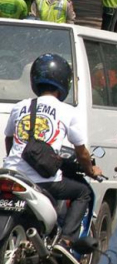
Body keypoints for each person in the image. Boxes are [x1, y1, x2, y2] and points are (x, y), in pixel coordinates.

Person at [3, 54, 103, 243]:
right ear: (64, 82)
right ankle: (66, 240)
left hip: (11, 174)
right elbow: (81, 152)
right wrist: (90, 170)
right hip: (44, 182)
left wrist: (15, 161)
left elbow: (9, 139)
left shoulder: (20, 106)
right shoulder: (68, 111)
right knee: (84, 192)